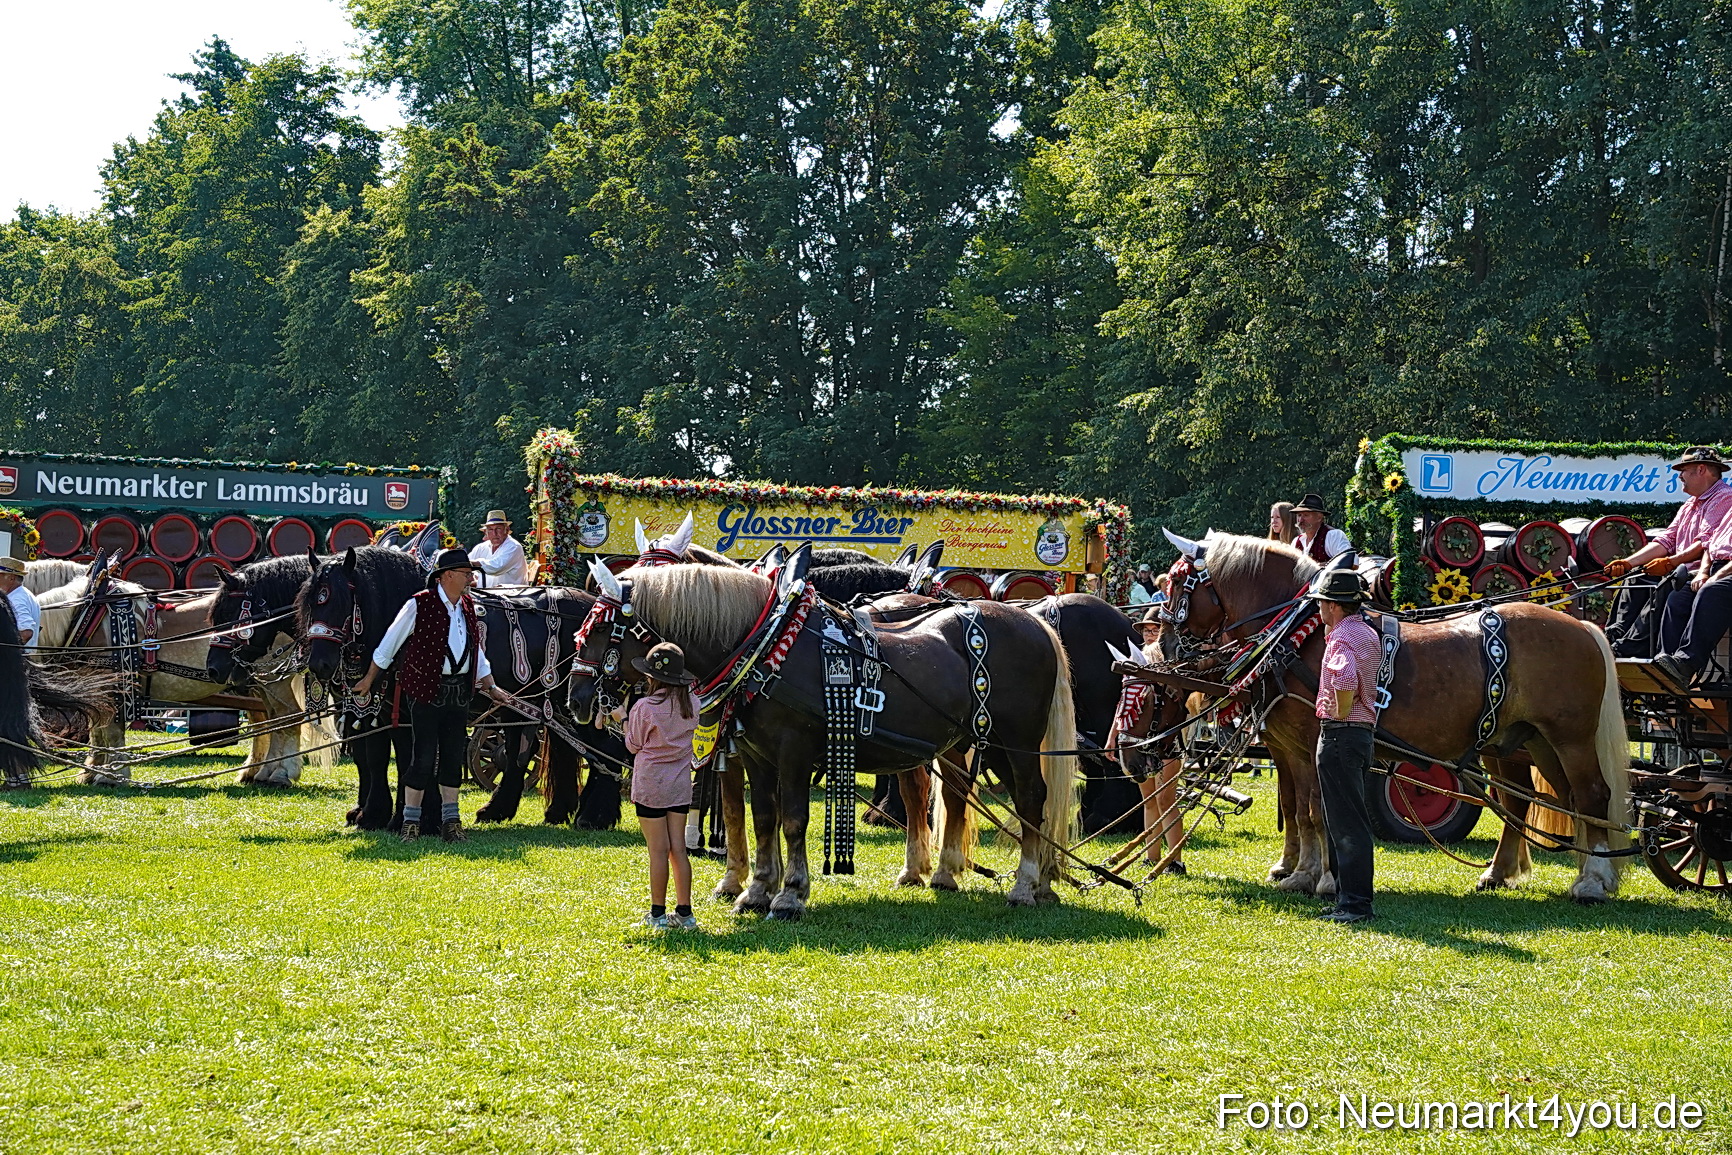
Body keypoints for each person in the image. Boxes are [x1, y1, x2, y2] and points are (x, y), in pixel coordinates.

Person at [352, 548, 510, 843]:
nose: (470, 578)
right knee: (422, 758)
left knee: (452, 758)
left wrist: (490, 686)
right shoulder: (418, 605)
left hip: (458, 692)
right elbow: (389, 644)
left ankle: (451, 823)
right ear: (446, 576)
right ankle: (411, 823)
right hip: (426, 692)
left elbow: (476, 651)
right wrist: (369, 679)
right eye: (465, 574)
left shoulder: (466, 606)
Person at [1603, 448, 1732, 658]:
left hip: (1695, 573)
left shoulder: (1724, 498)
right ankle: (1615, 634)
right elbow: (1667, 540)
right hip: (1679, 570)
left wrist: (1671, 563)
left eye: (1684, 470)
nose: (1680, 475)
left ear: (1701, 469)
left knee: (1665, 587)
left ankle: (1632, 647)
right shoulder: (1690, 505)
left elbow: (1705, 543)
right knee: (1637, 577)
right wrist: (1628, 562)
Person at [1311, 566, 1381, 924]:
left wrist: (1338, 712)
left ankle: (1354, 903)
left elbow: (1344, 677)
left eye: (1322, 602)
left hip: (1341, 731)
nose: (1319, 608)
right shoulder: (1367, 632)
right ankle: (1347, 898)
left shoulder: (1340, 638)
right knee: (1347, 818)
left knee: (1345, 822)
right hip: (1361, 733)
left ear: (1335, 606)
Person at [619, 643, 700, 930]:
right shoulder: (693, 704)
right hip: (679, 785)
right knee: (678, 849)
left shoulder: (644, 708)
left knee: (657, 851)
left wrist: (623, 719)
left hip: (651, 785)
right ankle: (685, 913)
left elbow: (633, 744)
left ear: (652, 677)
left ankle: (656, 914)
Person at [1652, 504, 1732, 686]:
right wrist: (1704, 573)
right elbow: (1710, 547)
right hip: (1718, 567)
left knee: (1712, 591)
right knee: (1678, 593)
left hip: (1727, 571)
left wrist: (1716, 577)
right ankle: (1665, 662)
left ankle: (1687, 663)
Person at [470, 510, 527, 588]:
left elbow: (496, 567)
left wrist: (472, 563)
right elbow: (465, 562)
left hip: (512, 596)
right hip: (485, 596)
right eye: (490, 529)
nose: (494, 533)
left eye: (498, 529)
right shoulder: (481, 547)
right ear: (486, 532)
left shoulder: (514, 546)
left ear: (506, 530)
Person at [1291, 494, 1352, 562]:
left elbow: (1350, 562)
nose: (1301, 520)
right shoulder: (1296, 541)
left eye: (1306, 515)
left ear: (1319, 517)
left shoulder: (1333, 536)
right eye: (1299, 515)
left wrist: (1321, 566)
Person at [0, 558, 39, 649]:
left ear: (11, 578)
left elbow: (26, 633)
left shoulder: (17, 599)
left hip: (15, 660)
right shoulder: (23, 594)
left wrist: (8, 652)